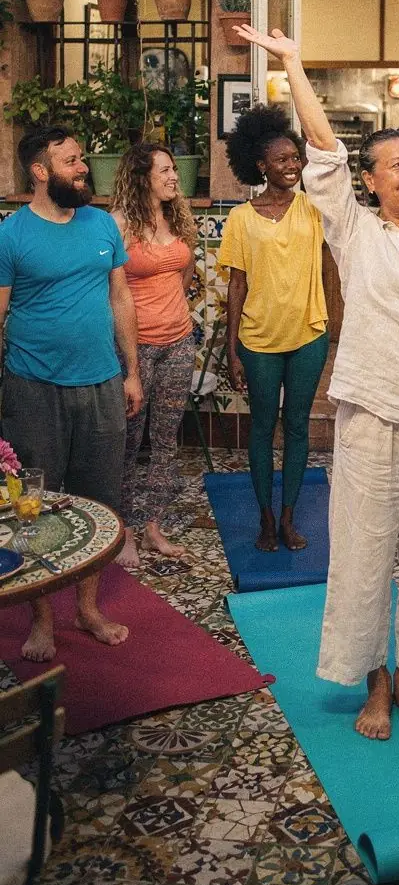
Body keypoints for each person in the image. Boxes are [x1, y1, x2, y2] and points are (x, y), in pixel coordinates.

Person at [235, 19, 399, 741]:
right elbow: (321, 148)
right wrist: (292, 62)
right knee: (364, 554)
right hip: (375, 417)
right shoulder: (351, 229)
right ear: (371, 181)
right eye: (395, 166)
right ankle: (374, 685)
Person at [0, 126, 142, 662]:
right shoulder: (11, 235)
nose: (84, 169)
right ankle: (42, 620)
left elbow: (121, 298)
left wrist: (131, 372)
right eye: (71, 162)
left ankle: (87, 609)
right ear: (40, 172)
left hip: (102, 382)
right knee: (34, 506)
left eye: (81, 159)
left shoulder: (102, 223)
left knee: (100, 499)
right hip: (33, 387)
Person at [219, 105, 329, 552]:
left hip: (308, 334)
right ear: (261, 165)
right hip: (258, 339)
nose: (292, 166)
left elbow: (331, 271)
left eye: (296, 158)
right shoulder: (241, 219)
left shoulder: (315, 208)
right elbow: (236, 286)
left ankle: (288, 518)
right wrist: (231, 350)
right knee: (263, 427)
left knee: (297, 426)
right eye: (282, 160)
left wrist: (339, 324)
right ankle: (265, 517)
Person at [111, 143, 197, 569]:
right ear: (142, 175)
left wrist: (173, 312)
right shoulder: (119, 226)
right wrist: (130, 367)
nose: (173, 177)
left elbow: (185, 270)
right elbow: (112, 291)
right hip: (135, 349)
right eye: (164, 170)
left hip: (180, 344)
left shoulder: (177, 218)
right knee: (129, 444)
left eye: (174, 169)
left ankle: (153, 526)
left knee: (165, 442)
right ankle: (124, 531)